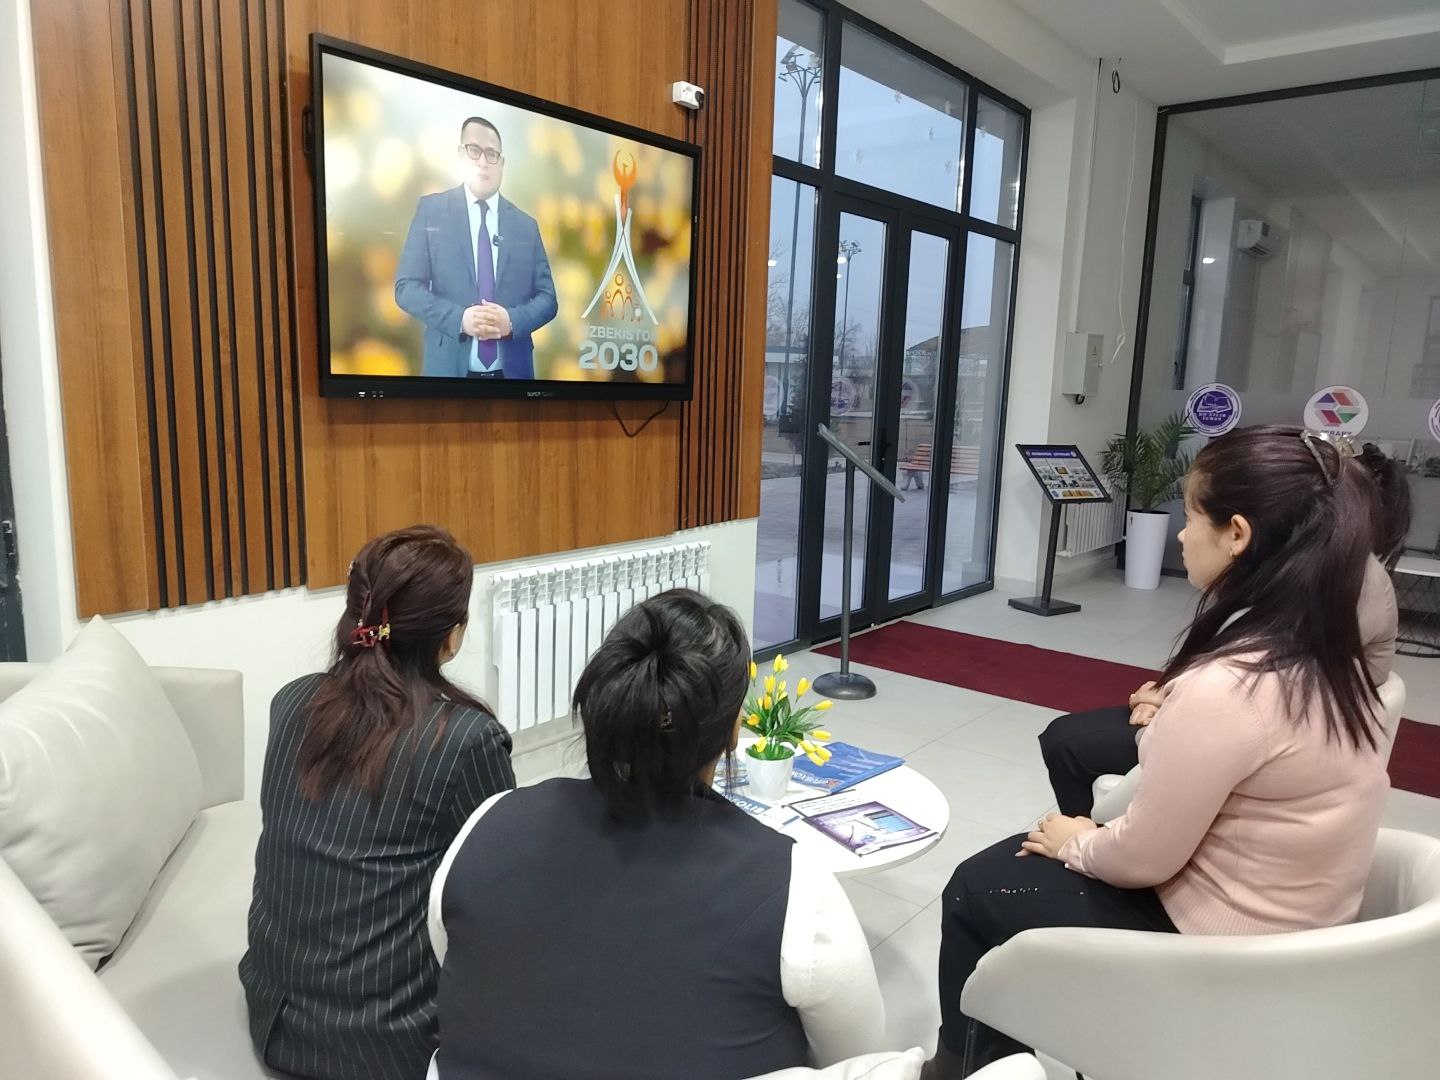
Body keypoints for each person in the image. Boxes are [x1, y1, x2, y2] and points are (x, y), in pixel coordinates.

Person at [924, 425, 1393, 1078]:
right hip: (1299, 930)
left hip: (1226, 946)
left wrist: (1078, 842)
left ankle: (960, 1070)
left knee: (976, 886)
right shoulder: (1326, 647)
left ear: (1237, 534)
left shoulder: (1236, 685)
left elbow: (1143, 858)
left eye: (1191, 516)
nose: (1179, 535)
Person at [426, 589, 885, 1080]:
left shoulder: (490, 820)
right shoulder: (795, 886)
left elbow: (451, 952)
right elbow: (857, 1057)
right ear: (733, 730)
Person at [240, 526, 515, 1080]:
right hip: (384, 1048)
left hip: (273, 1014)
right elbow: (503, 889)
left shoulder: (291, 701)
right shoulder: (465, 741)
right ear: (451, 636)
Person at [1037, 437, 1407, 818]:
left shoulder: (1341, 587)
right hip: (1256, 730)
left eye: (1190, 518)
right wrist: (1166, 693)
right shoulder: (1311, 571)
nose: (1182, 534)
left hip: (1266, 744)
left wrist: (1165, 701)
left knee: (1067, 744)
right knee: (1065, 739)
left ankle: (1082, 835)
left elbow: (1249, 691)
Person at [394, 117, 558, 380]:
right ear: (461, 155)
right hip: (447, 375)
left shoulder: (525, 226)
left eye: (492, 154)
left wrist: (511, 321)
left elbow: (548, 299)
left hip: (513, 379)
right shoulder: (431, 211)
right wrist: (459, 319)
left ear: (502, 164)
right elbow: (406, 288)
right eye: (474, 151)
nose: (483, 162)